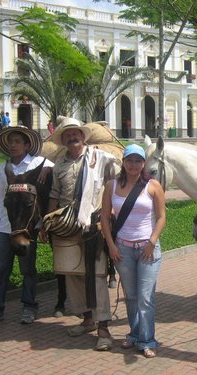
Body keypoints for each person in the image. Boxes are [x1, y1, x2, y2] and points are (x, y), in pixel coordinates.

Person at [42, 116, 116, 351]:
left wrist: (111, 211)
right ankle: (87, 320)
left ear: (83, 137)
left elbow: (118, 181)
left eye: (76, 134)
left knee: (96, 276)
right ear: (63, 140)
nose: (73, 138)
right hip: (66, 226)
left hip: (93, 226)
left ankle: (103, 328)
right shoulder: (59, 165)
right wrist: (47, 221)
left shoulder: (101, 158)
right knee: (73, 275)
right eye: (67, 135)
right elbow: (54, 194)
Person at [0, 126, 54, 326]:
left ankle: (29, 307)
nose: (13, 146)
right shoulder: (3, 169)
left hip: (27, 230)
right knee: (1, 269)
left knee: (27, 269)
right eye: (10, 142)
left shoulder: (39, 163)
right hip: (6, 227)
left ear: (27, 145)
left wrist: (49, 169)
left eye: (17, 142)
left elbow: (57, 171)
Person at [101, 144, 166, 358]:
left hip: (148, 249)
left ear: (143, 164)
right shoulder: (111, 186)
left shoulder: (153, 185)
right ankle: (135, 334)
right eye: (130, 160)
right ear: (124, 162)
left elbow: (161, 217)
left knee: (145, 297)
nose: (134, 165)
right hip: (123, 249)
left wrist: (151, 241)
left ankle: (148, 340)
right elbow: (104, 218)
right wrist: (111, 245)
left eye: (138, 161)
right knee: (131, 296)